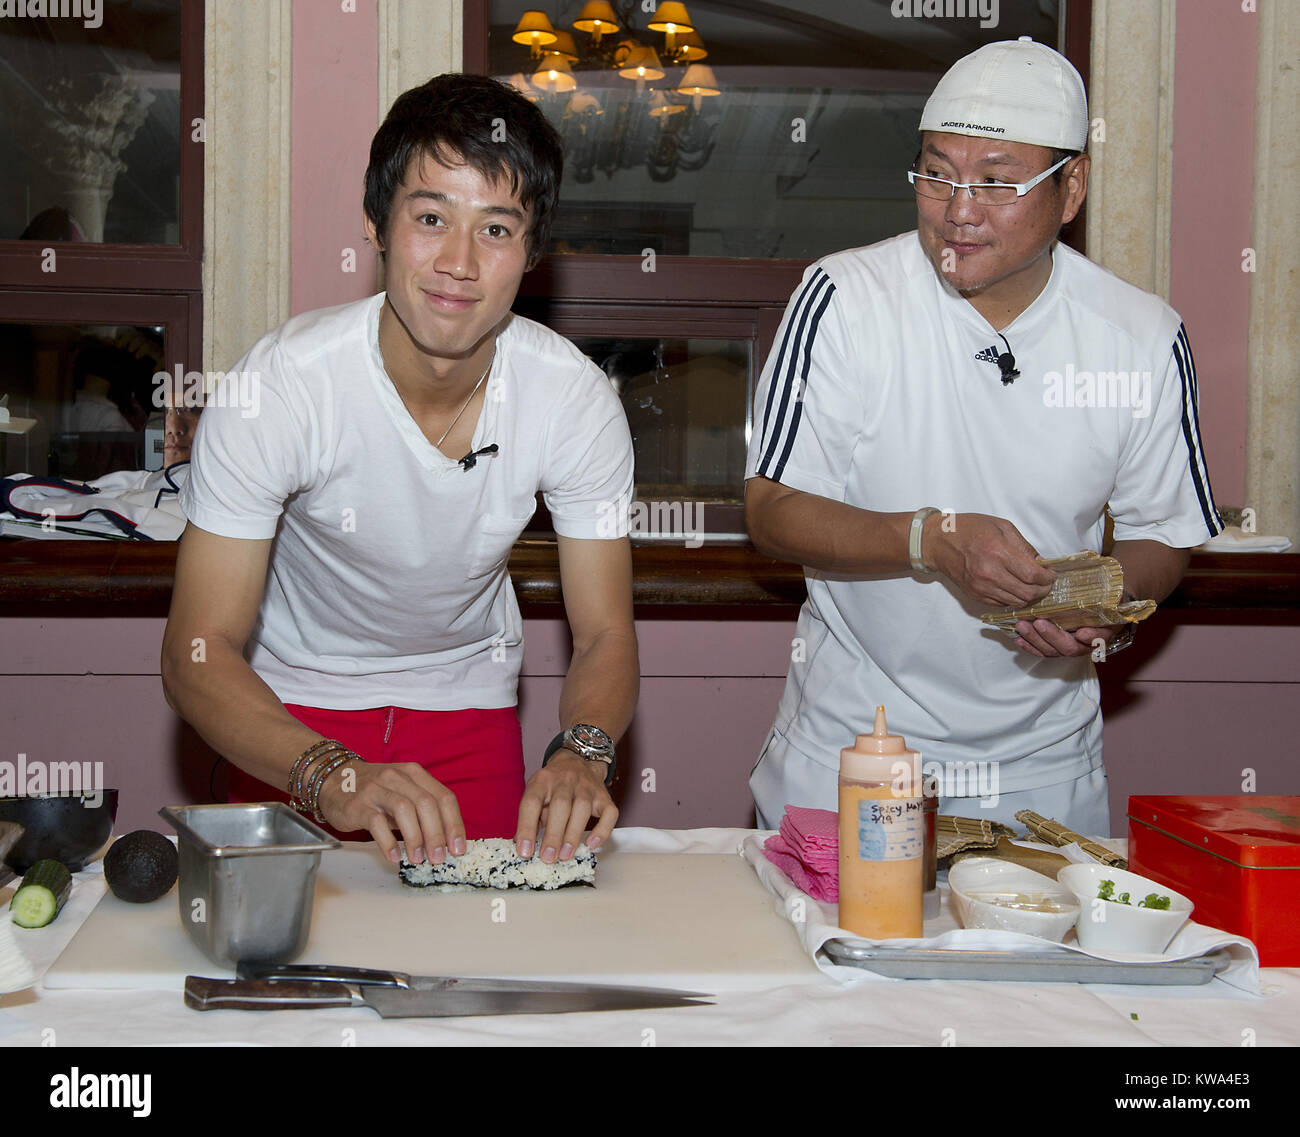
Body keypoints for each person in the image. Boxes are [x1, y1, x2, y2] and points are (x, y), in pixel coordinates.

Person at [744, 38, 1221, 836]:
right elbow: (772, 507)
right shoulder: (846, 298)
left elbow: (1163, 538)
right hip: (856, 747)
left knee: (1034, 961)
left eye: (997, 182)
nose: (959, 209)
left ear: (1071, 187)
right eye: (936, 173)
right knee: (824, 962)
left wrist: (1103, 600)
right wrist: (932, 539)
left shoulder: (1140, 335)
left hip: (1041, 766)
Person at [162, 74, 637, 869]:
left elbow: (603, 633)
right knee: (275, 967)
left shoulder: (574, 399)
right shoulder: (280, 385)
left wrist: (581, 753)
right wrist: (330, 772)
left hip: (469, 706)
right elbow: (196, 651)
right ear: (377, 225)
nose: (457, 262)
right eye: (429, 218)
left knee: (479, 964)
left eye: (495, 229)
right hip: (287, 711)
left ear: (533, 252)